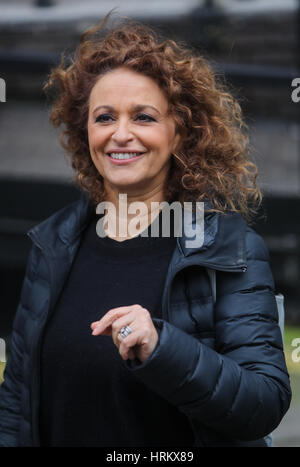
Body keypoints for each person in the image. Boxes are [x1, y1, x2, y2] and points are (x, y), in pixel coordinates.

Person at [0, 17, 291, 447]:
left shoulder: (227, 248)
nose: (121, 134)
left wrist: (162, 347)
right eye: (104, 117)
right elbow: (16, 404)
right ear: (87, 134)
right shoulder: (53, 244)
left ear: (178, 134)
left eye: (143, 117)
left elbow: (263, 403)